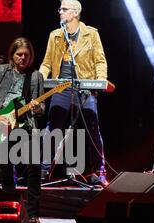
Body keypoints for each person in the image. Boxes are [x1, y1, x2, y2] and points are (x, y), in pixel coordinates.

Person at [39, 0, 108, 186]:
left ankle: (98, 171)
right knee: (52, 129)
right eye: (60, 8)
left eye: (64, 9)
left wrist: (99, 81)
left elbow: (100, 61)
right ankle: (43, 169)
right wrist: (40, 80)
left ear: (75, 13)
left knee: (92, 129)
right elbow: (46, 63)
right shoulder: (55, 35)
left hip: (85, 89)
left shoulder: (91, 34)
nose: (59, 11)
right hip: (61, 88)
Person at [0, 37, 45, 223]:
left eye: (26, 55)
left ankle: (33, 216)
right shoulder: (0, 72)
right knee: (6, 171)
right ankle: (11, 212)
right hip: (2, 124)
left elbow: (41, 106)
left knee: (34, 169)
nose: (22, 58)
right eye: (19, 54)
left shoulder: (36, 77)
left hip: (27, 126)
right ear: (12, 55)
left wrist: (37, 108)